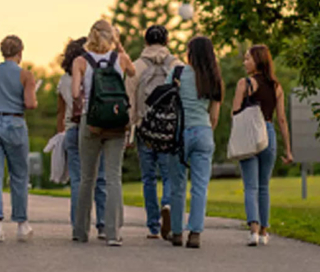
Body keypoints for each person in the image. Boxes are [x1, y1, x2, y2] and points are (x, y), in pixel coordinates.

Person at [71, 20, 136, 246]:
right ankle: (113, 234)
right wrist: (119, 47)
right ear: (112, 37)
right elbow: (133, 72)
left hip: (91, 121)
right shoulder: (121, 59)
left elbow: (75, 94)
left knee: (86, 178)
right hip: (117, 121)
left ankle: (80, 231)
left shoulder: (80, 61)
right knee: (113, 178)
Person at [0, 35, 39, 243]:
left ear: (2, 52)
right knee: (19, 175)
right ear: (20, 52)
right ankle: (22, 225)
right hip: (14, 125)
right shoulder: (25, 75)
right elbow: (30, 104)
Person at [162, 36, 222, 249]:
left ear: (190, 53)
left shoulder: (177, 73)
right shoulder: (213, 78)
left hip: (178, 134)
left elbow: (165, 102)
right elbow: (214, 116)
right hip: (203, 132)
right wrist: (204, 132)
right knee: (200, 186)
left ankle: (177, 232)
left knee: (177, 185)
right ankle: (195, 233)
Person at [126, 25, 181, 239]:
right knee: (168, 175)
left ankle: (153, 227)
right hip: (168, 129)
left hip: (144, 128)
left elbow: (129, 99)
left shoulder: (137, 66)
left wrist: (130, 130)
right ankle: (167, 203)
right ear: (166, 41)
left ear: (146, 42)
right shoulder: (176, 65)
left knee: (148, 178)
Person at [235, 44, 293, 247]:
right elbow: (282, 120)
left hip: (249, 135)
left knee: (250, 186)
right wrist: (288, 150)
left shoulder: (245, 83)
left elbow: (235, 112)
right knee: (263, 187)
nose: (245, 62)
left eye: (247, 58)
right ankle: (264, 232)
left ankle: (253, 231)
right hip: (268, 133)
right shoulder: (276, 86)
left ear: (257, 60)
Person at [56, 37, 107, 239]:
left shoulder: (63, 81)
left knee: (78, 180)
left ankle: (78, 226)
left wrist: (61, 134)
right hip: (94, 128)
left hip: (71, 131)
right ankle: (102, 225)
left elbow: (60, 113)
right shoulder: (94, 74)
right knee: (100, 178)